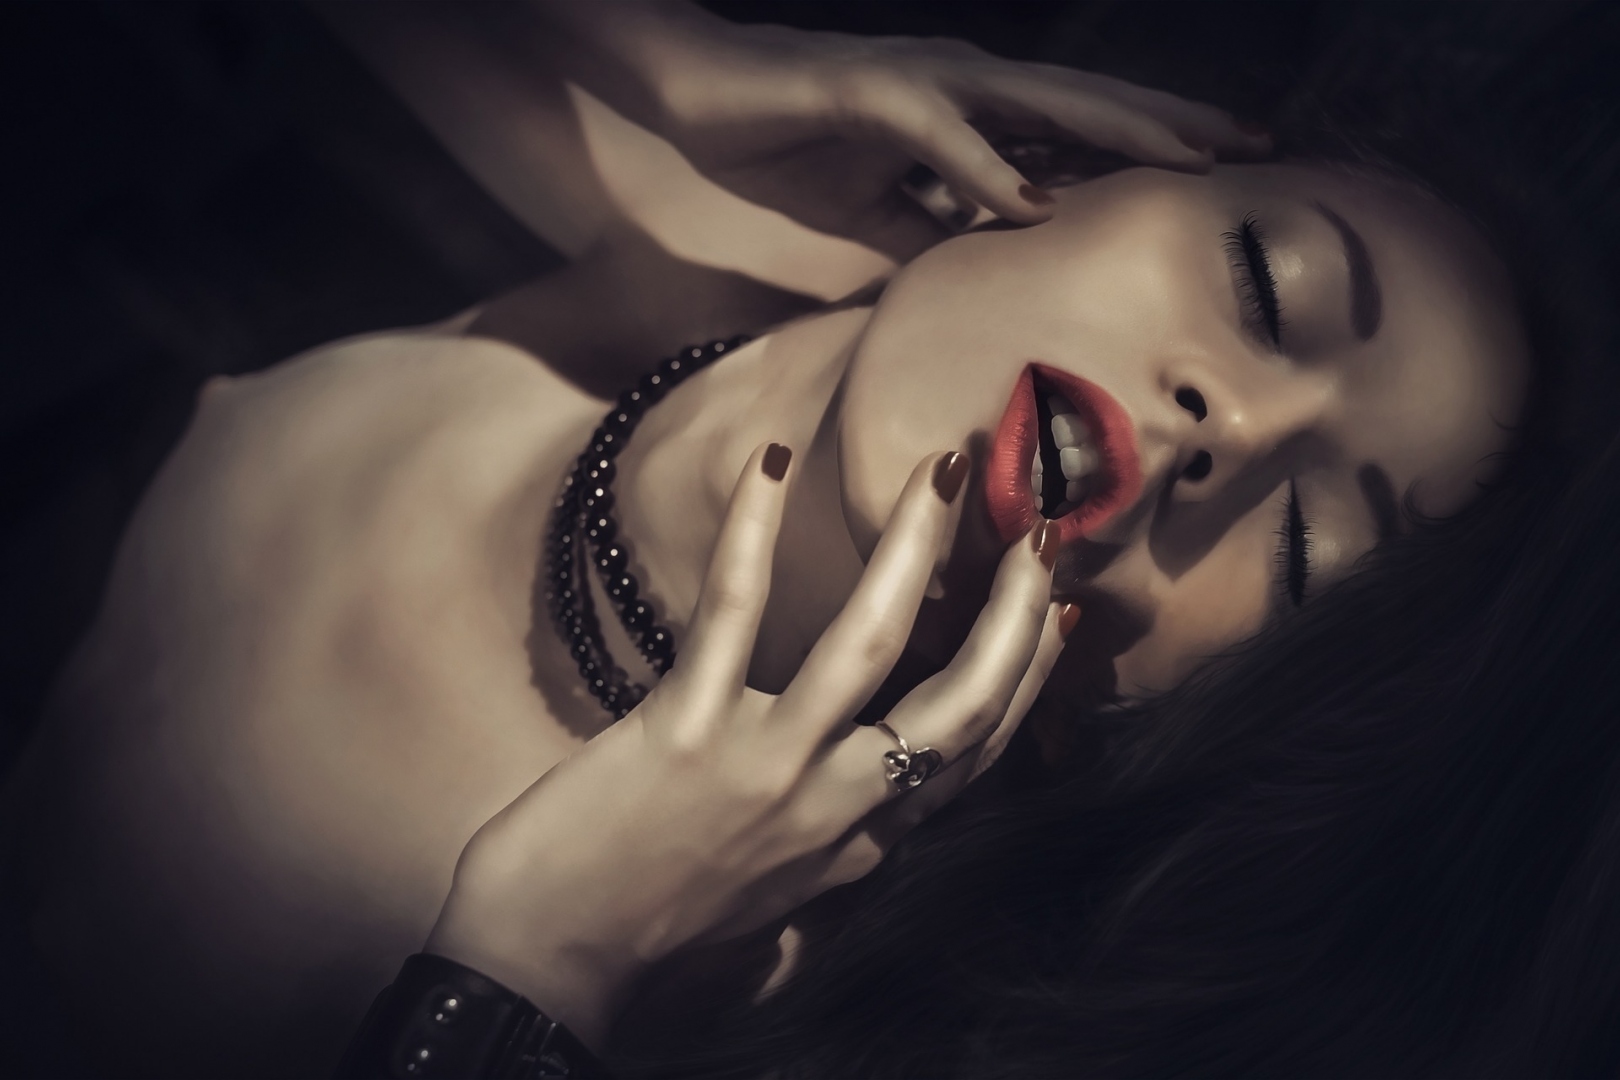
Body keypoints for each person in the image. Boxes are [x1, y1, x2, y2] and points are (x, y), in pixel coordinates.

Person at [5, 2, 1617, 1077]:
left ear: (1191, 718)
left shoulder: (761, 1001)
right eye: (1267, 288)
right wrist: (680, 63)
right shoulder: (724, 240)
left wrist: (531, 974)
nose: (1232, 431)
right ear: (1088, 165)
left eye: (1305, 547)